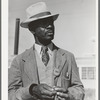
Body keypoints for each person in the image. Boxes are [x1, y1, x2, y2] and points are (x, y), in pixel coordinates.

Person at [8, 2, 85, 100]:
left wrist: (70, 95)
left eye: (51, 22)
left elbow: (79, 89)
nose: (50, 26)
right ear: (32, 29)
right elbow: (10, 94)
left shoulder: (68, 57)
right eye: (44, 23)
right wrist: (32, 90)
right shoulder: (19, 61)